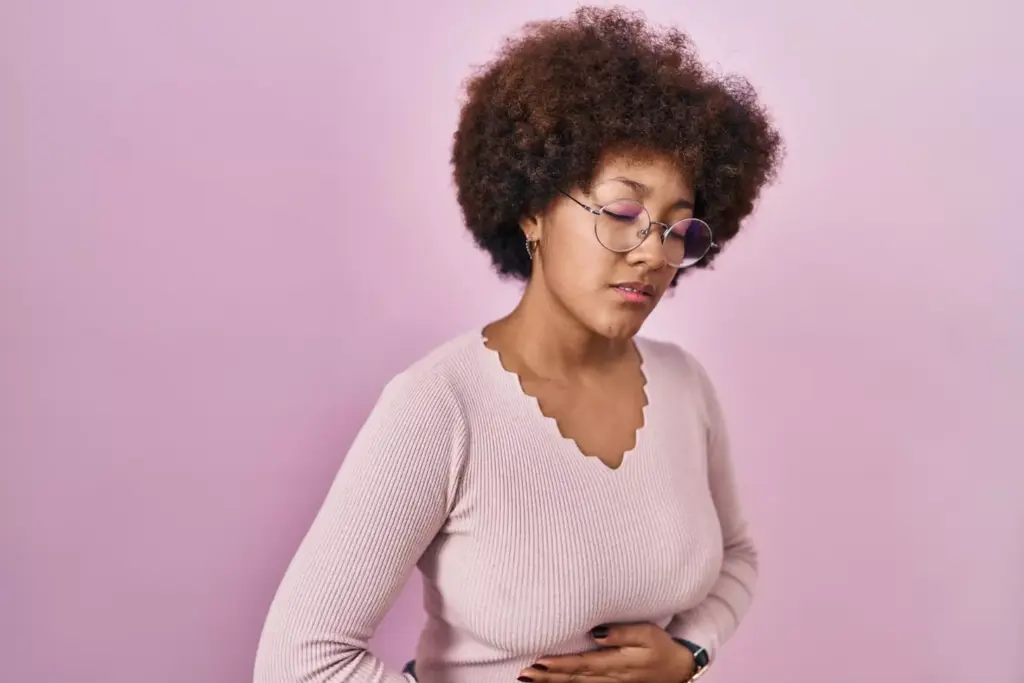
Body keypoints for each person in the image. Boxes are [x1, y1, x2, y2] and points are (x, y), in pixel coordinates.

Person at [253, 6, 782, 683]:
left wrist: (690, 654)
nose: (654, 252)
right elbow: (299, 662)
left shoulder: (686, 387)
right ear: (533, 210)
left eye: (679, 229)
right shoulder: (441, 404)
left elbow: (737, 556)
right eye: (623, 213)